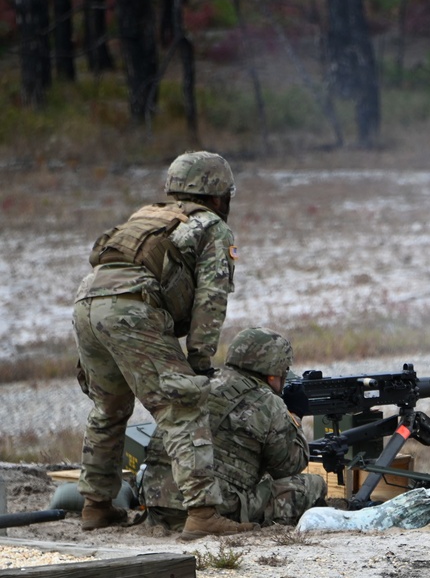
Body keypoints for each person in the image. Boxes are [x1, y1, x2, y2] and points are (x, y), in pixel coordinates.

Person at [73, 150, 256, 539]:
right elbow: (211, 298)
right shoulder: (211, 227)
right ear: (219, 194)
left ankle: (96, 506)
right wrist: (200, 361)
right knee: (183, 406)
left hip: (88, 302)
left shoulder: (149, 216)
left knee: (108, 408)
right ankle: (203, 513)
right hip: (132, 309)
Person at [142, 327, 327, 537]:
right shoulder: (268, 402)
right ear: (273, 373)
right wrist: (294, 415)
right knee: (313, 485)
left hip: (157, 502)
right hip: (211, 511)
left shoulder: (201, 381)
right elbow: (289, 466)